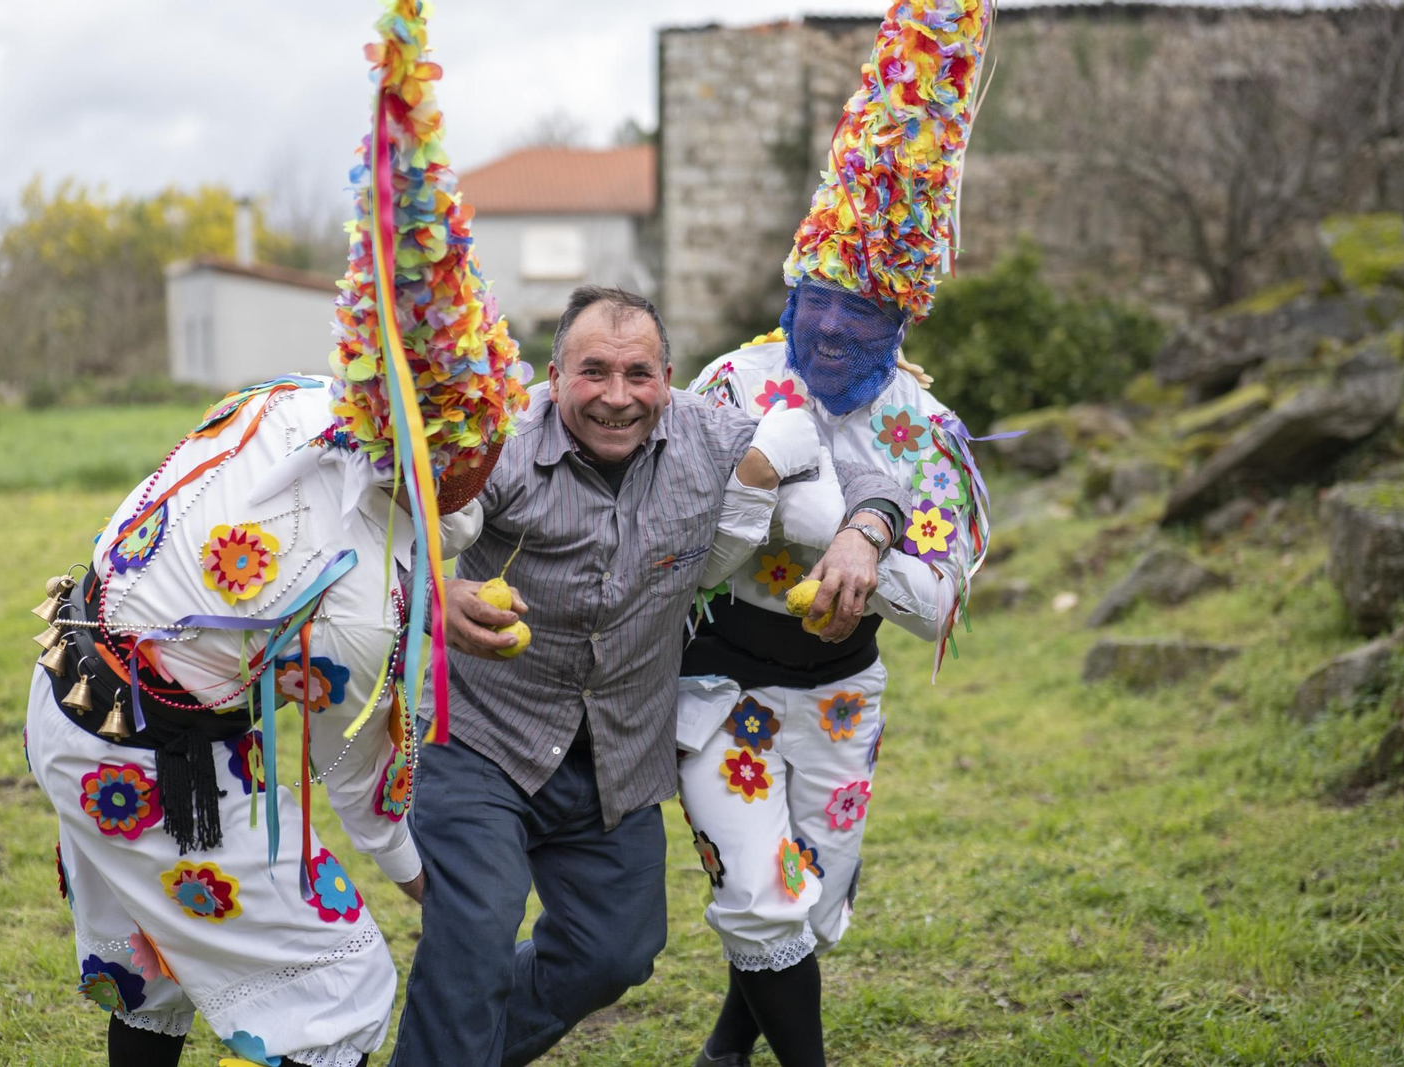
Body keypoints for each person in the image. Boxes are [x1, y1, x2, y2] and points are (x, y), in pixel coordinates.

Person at [23, 6, 532, 1063]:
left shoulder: (304, 399)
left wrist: (430, 594)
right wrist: (426, 884)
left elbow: (411, 527)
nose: (497, 461)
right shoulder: (350, 590)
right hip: (144, 749)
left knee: (156, 967)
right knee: (342, 977)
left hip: (73, 680)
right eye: (480, 446)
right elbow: (359, 777)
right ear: (427, 454)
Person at [386, 284, 906, 1067]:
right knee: (477, 933)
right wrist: (436, 594)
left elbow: (864, 475)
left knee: (617, 950)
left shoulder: (713, 436)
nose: (618, 398)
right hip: (482, 739)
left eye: (640, 375)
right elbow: (388, 524)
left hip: (617, 755)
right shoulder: (501, 444)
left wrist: (862, 535)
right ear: (554, 375)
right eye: (593, 372)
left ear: (669, 376)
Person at [676, 2, 996, 1065]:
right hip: (721, 676)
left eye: (854, 316)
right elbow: (676, 553)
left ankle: (730, 1036)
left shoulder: (924, 429)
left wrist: (856, 535)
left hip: (843, 690)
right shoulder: (731, 382)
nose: (821, 331)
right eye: (808, 303)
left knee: (807, 901)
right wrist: (769, 496)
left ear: (901, 319)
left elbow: (942, 596)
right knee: (757, 884)